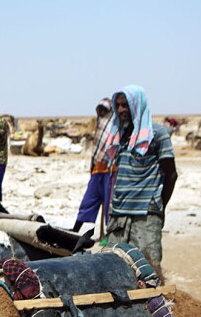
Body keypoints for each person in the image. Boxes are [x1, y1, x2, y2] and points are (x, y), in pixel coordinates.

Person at [105, 85, 177, 269]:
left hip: (145, 215)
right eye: (118, 105)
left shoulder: (158, 135)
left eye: (126, 105)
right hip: (119, 214)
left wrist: (159, 207)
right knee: (112, 267)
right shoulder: (119, 136)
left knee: (148, 270)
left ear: (138, 106)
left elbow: (171, 174)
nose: (121, 110)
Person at [72, 98, 115, 233]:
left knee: (109, 204)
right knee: (89, 199)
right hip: (98, 169)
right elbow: (96, 148)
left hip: (110, 169)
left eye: (104, 110)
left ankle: (109, 233)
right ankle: (75, 229)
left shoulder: (114, 125)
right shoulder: (100, 125)